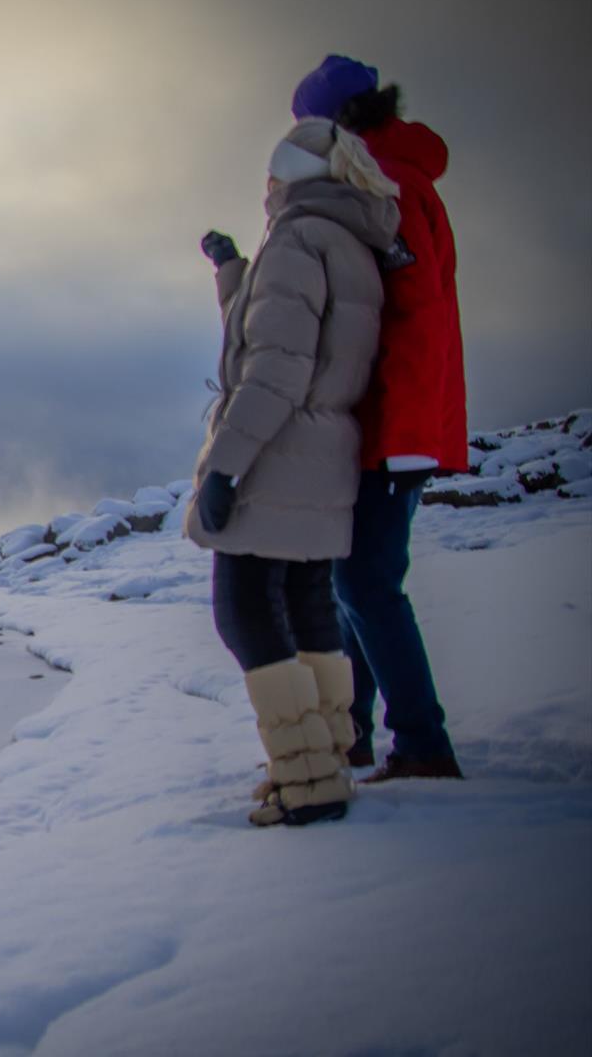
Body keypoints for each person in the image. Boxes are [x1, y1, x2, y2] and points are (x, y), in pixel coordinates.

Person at [188, 117, 402, 826]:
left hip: (279, 455)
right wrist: (231, 272)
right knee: (310, 606)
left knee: (245, 611)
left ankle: (307, 784)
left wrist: (223, 469)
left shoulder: (298, 241)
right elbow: (276, 326)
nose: (265, 188)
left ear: (288, 177)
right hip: (326, 456)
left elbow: (274, 368)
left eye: (271, 175)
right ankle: (325, 760)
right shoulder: (347, 240)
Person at [293, 55, 467, 781]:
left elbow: (414, 318)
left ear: (339, 122)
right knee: (353, 580)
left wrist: (397, 436)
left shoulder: (388, 185)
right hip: (387, 422)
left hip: (396, 426)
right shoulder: (383, 175)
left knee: (365, 584)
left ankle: (421, 743)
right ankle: (353, 733)